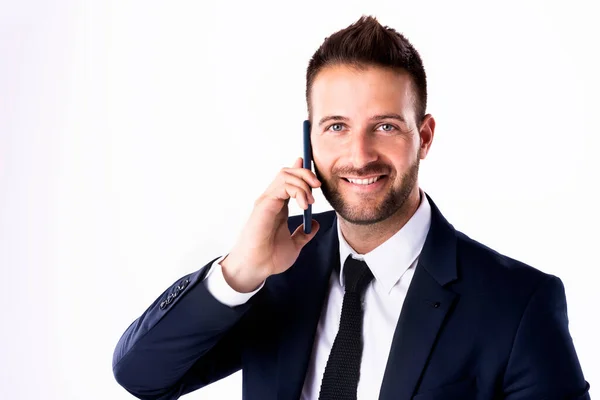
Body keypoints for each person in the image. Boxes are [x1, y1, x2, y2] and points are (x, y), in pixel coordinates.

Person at [112, 15, 590, 400]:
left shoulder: (519, 304)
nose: (359, 156)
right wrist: (239, 271)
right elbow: (144, 376)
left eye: (384, 127)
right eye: (336, 127)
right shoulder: (276, 273)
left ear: (423, 138)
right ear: (310, 138)